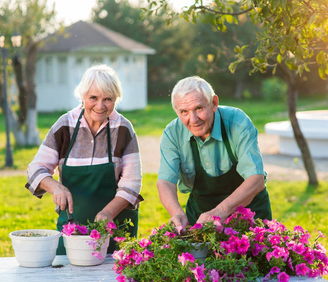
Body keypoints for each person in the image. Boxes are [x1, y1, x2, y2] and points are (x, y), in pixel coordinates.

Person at [26, 64, 143, 254]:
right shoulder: (65, 125)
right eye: (93, 98)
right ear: (82, 96)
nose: (100, 106)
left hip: (116, 231)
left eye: (108, 99)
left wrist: (108, 213)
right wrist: (56, 187)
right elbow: (35, 169)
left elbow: (132, 183)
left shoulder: (123, 129)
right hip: (72, 231)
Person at [157, 76, 271, 229]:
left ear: (214, 103)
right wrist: (176, 213)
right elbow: (165, 182)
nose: (193, 119)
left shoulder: (238, 122)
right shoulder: (173, 133)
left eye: (199, 108)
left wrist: (220, 212)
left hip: (250, 214)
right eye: (184, 112)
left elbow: (256, 179)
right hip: (201, 217)